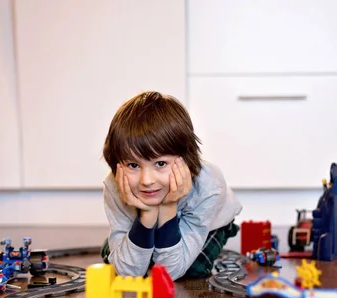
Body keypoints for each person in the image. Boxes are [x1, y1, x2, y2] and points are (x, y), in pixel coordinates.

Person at [100, 91, 242, 281]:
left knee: (193, 269)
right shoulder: (115, 184)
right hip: (145, 222)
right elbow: (128, 273)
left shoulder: (209, 186)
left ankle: (152, 240)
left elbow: (169, 273)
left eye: (160, 164)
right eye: (133, 165)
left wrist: (167, 207)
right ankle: (148, 236)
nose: (147, 180)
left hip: (210, 224)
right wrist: (148, 214)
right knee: (115, 258)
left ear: (186, 159)